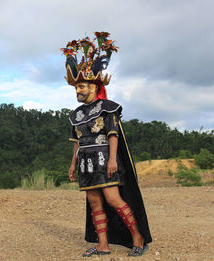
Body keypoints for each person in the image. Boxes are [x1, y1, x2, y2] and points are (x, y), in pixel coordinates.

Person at [62, 32, 152, 257]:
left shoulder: (108, 107)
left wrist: (113, 159)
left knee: (113, 199)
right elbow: (77, 142)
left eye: (81, 87)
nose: (78, 91)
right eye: (76, 88)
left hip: (104, 160)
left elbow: (114, 135)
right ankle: (103, 244)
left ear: (94, 86)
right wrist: (73, 164)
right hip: (85, 163)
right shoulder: (76, 115)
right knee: (94, 202)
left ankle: (137, 237)